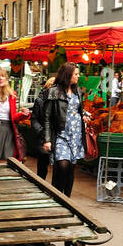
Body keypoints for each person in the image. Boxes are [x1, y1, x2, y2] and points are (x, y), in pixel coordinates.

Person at [36, 63, 89, 197]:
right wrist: (47, 140)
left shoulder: (77, 91)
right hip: (60, 134)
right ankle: (58, 196)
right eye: (76, 74)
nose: (78, 76)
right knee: (62, 164)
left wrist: (83, 117)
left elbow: (77, 110)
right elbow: (47, 117)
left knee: (70, 167)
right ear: (68, 75)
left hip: (76, 134)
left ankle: (67, 198)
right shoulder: (53, 91)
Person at [29, 75, 57, 182]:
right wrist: (42, 132)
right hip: (42, 137)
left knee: (57, 166)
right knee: (42, 166)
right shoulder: (39, 101)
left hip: (56, 136)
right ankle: (40, 184)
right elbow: (34, 119)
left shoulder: (60, 101)